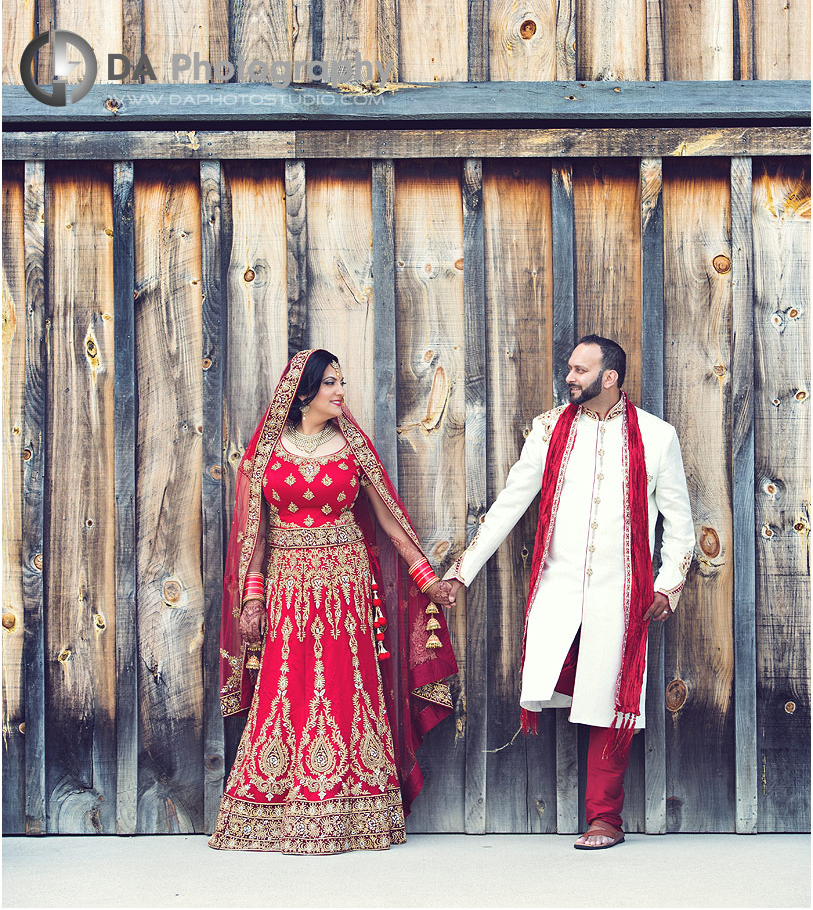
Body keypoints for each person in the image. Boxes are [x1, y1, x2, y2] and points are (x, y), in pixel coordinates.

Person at [445, 335, 695, 850]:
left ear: (610, 378)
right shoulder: (547, 429)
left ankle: (605, 819)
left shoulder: (656, 435)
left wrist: (668, 585)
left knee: (609, 697)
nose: (569, 377)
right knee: (560, 684)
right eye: (570, 368)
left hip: (621, 595)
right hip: (559, 588)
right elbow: (512, 503)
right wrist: (461, 570)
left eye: (581, 370)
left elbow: (680, 523)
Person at [209, 348, 457, 854]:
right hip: (287, 587)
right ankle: (275, 811)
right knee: (285, 686)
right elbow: (254, 533)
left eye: (342, 382)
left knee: (345, 687)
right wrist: (252, 597)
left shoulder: (353, 447)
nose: (340, 391)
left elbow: (389, 520)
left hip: (345, 587)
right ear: (303, 395)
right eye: (330, 384)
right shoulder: (268, 452)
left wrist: (426, 578)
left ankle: (358, 813)